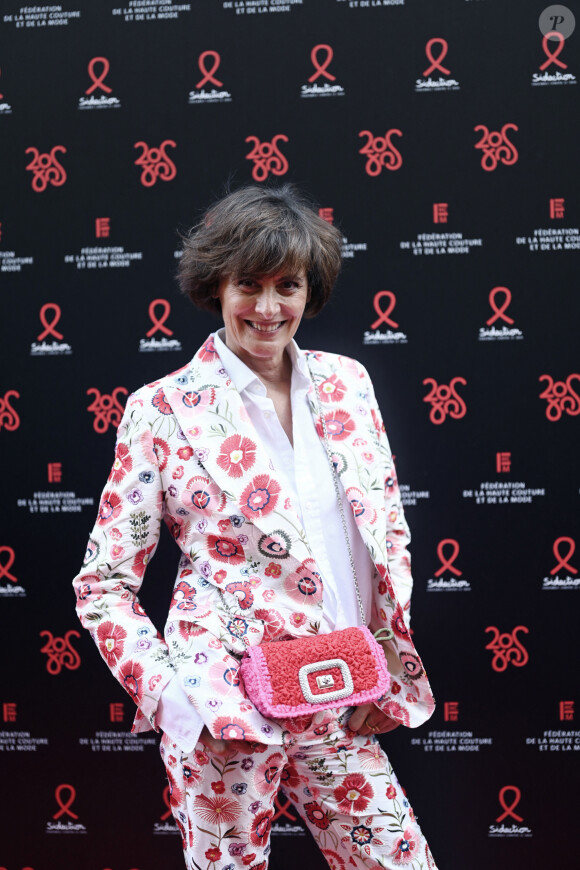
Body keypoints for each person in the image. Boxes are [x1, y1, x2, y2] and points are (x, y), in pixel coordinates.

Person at [73, 184, 437, 870]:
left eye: (287, 286)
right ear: (218, 287)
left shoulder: (348, 386)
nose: (268, 309)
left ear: (310, 290)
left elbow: (385, 538)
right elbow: (103, 584)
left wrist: (386, 664)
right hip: (225, 716)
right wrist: (179, 704)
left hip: (338, 693)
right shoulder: (163, 410)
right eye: (249, 285)